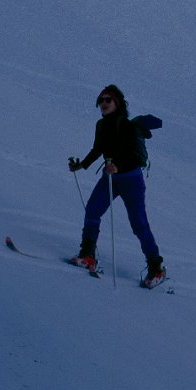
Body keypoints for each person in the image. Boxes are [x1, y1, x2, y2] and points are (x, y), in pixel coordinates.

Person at [68, 84, 166, 288]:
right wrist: (82, 165)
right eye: (101, 100)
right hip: (110, 178)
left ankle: (156, 268)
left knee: (139, 225)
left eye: (108, 100)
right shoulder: (101, 125)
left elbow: (134, 155)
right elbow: (98, 149)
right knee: (93, 211)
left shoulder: (126, 125)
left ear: (117, 103)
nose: (103, 103)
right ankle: (87, 255)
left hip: (131, 180)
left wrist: (118, 166)